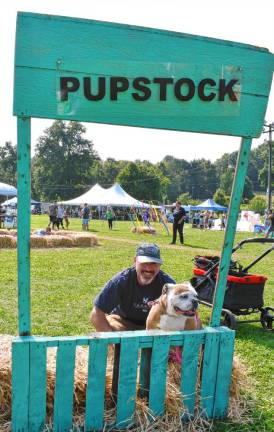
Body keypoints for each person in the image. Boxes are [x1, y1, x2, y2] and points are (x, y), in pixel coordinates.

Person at [90, 243, 176, 331]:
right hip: (122, 321)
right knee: (113, 331)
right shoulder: (121, 281)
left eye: (154, 263)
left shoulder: (168, 284)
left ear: (159, 265)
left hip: (155, 324)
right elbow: (96, 313)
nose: (149, 268)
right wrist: (110, 341)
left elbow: (183, 312)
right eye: (144, 262)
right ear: (135, 261)